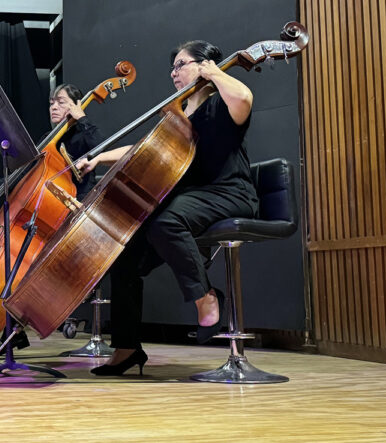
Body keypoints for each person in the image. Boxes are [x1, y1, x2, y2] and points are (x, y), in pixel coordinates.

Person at [76, 40, 258, 376]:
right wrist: (100, 157)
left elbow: (245, 98)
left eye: (182, 64)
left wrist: (215, 73)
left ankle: (206, 297)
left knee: (165, 219)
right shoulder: (180, 111)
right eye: (172, 67)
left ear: (204, 65)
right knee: (125, 255)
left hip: (229, 192)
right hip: (194, 198)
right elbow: (146, 148)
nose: (174, 72)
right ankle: (127, 347)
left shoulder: (221, 103)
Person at [0, 83, 105, 356]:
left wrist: (81, 118)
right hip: (46, 212)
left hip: (74, 211)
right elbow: (24, 172)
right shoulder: (48, 139)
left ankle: (18, 325)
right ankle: (10, 329)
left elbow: (99, 150)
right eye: (52, 102)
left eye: (60, 102)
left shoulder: (85, 134)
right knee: (19, 264)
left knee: (32, 267)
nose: (53, 106)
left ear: (75, 104)